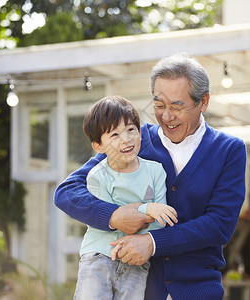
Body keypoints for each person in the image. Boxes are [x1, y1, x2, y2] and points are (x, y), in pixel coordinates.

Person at [55, 53, 247, 300]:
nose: (166, 116)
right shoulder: (133, 141)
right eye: (158, 105)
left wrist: (153, 242)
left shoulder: (228, 150)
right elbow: (67, 191)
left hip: (197, 291)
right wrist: (113, 216)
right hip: (139, 290)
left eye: (177, 106)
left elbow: (219, 224)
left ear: (204, 101)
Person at [70, 95, 178, 300]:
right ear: (99, 147)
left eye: (131, 130)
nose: (126, 139)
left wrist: (150, 216)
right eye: (115, 135)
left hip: (136, 262)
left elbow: (160, 219)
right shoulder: (97, 175)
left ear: (140, 132)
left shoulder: (155, 171)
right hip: (100, 256)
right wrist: (147, 209)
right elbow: (118, 218)